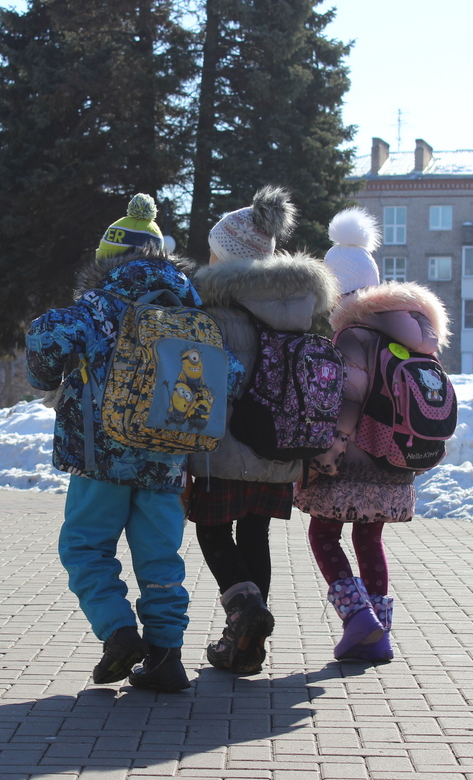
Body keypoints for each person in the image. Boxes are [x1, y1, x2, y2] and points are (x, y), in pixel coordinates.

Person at [25, 193, 242, 692]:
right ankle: (167, 656)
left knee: (85, 547)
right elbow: (227, 374)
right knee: (160, 557)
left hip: (102, 456)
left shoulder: (100, 306)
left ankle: (119, 633)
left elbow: (43, 337)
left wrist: (50, 379)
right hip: (166, 457)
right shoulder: (191, 310)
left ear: (109, 260)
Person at [185, 185, 340, 674]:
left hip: (224, 445)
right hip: (280, 443)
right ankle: (247, 647)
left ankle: (245, 610)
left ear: (225, 254)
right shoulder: (296, 305)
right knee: (255, 534)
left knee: (212, 529)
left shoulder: (211, 307)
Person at [295, 206, 450, 662]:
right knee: (369, 538)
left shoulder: (353, 334)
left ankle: (359, 618)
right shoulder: (408, 333)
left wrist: (331, 449)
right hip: (396, 456)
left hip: (356, 457)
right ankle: (379, 634)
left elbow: (350, 398)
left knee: (323, 535)